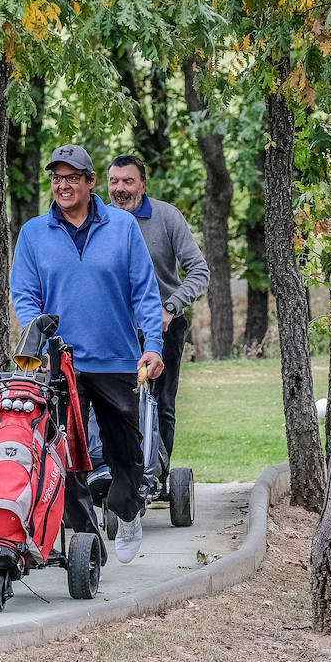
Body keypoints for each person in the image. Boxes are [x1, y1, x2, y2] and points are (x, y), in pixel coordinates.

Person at [9, 144, 164, 564]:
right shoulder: (34, 233)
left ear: (89, 182)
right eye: (56, 178)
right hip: (62, 365)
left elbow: (145, 293)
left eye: (71, 177)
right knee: (66, 455)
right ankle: (86, 542)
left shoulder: (122, 226)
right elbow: (24, 293)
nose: (63, 185)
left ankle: (127, 509)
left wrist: (153, 345)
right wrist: (38, 333)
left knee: (125, 451)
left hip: (116, 359)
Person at [107, 154, 210, 482]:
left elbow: (199, 270)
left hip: (164, 325)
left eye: (128, 181)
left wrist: (171, 307)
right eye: (114, 181)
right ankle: (115, 472)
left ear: (143, 184)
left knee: (161, 404)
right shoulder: (100, 221)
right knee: (114, 401)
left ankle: (157, 476)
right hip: (115, 329)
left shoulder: (167, 217)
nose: (120, 189)